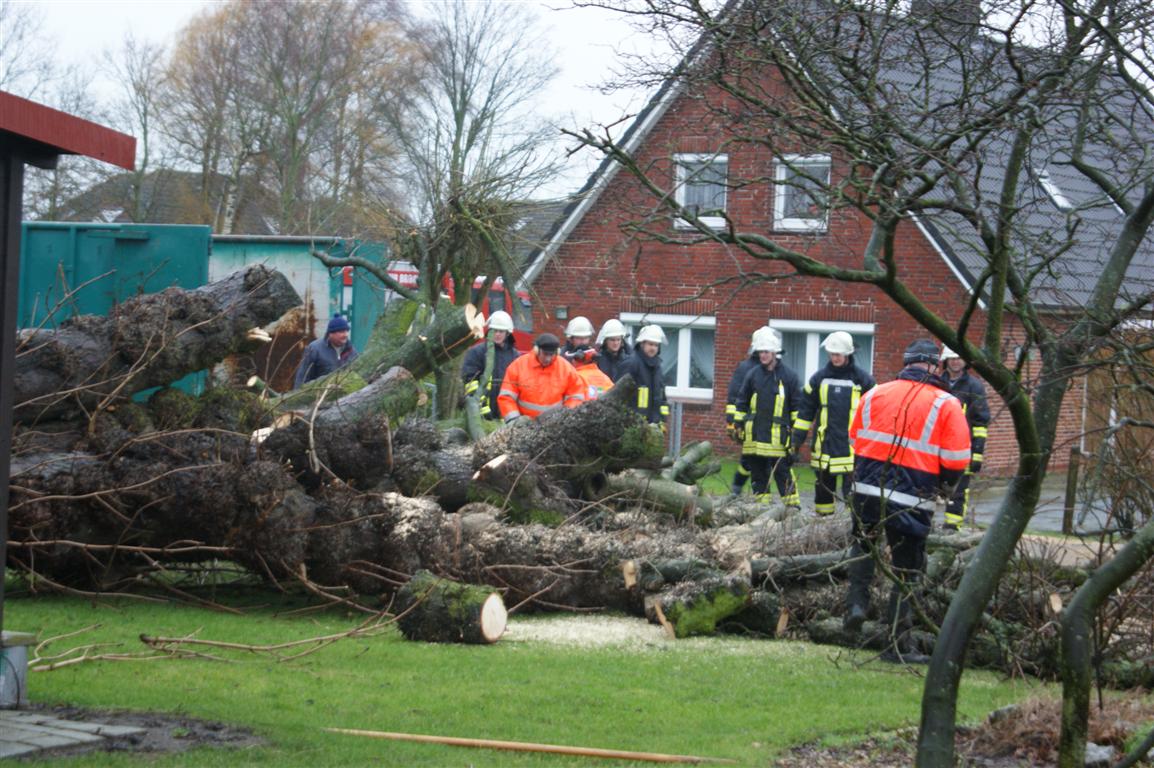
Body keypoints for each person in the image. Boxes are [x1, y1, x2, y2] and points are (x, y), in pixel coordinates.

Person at [845, 339, 971, 664]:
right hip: (911, 496)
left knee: (863, 544)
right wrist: (946, 485)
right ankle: (897, 644)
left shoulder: (875, 392)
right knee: (907, 568)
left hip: (866, 488)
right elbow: (957, 458)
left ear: (906, 362)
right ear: (935, 366)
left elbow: (855, 437)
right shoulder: (946, 403)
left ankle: (856, 603)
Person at [792, 331, 876, 516]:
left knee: (853, 491)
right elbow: (805, 412)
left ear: (848, 354)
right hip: (825, 446)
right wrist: (796, 441)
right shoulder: (818, 379)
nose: (834, 358)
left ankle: (853, 527)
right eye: (831, 354)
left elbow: (875, 413)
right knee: (823, 490)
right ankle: (823, 526)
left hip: (853, 448)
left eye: (838, 354)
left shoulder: (864, 381)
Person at [733, 328, 803, 507]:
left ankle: (792, 508)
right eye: (760, 352)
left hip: (778, 438)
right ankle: (762, 509)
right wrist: (738, 424)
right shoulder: (752, 375)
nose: (762, 355)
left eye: (766, 352)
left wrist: (795, 436)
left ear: (775, 353)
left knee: (782, 471)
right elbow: (741, 401)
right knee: (758, 473)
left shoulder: (789, 377)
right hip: (754, 436)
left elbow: (796, 408)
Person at [939, 346, 991, 531]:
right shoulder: (937, 383)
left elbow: (980, 422)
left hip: (962, 449)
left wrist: (976, 454)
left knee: (958, 491)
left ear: (966, 361)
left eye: (959, 358)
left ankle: (952, 528)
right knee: (929, 489)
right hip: (936, 447)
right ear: (946, 360)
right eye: (952, 358)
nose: (955, 361)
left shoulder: (974, 386)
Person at [725, 327, 774, 496]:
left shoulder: (774, 369)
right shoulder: (745, 368)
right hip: (749, 423)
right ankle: (742, 490)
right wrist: (732, 422)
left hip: (768, 425)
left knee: (762, 460)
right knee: (751, 459)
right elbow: (734, 396)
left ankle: (747, 492)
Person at [497, 333, 586, 423]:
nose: (548, 358)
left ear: (557, 353)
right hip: (523, 425)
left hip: (554, 426)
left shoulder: (567, 369)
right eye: (545, 354)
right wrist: (514, 420)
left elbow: (576, 397)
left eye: (551, 355)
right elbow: (506, 397)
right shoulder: (518, 366)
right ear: (537, 350)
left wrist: (564, 419)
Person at [461, 310, 522, 420]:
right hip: (481, 411)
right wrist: (482, 407)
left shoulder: (515, 356)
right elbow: (470, 382)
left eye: (501, 331)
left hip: (506, 412)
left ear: (507, 333)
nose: (497, 334)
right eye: (494, 331)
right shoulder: (477, 352)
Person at [618, 325, 669, 425]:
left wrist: (662, 420)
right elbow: (619, 395)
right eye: (650, 344)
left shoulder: (658, 367)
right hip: (633, 425)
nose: (653, 348)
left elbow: (662, 397)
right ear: (642, 344)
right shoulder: (631, 364)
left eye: (656, 345)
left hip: (654, 425)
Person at [293, 314, 358, 388]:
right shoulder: (314, 349)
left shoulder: (351, 350)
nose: (345, 335)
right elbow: (301, 378)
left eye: (346, 331)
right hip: (318, 395)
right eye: (341, 331)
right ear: (331, 333)